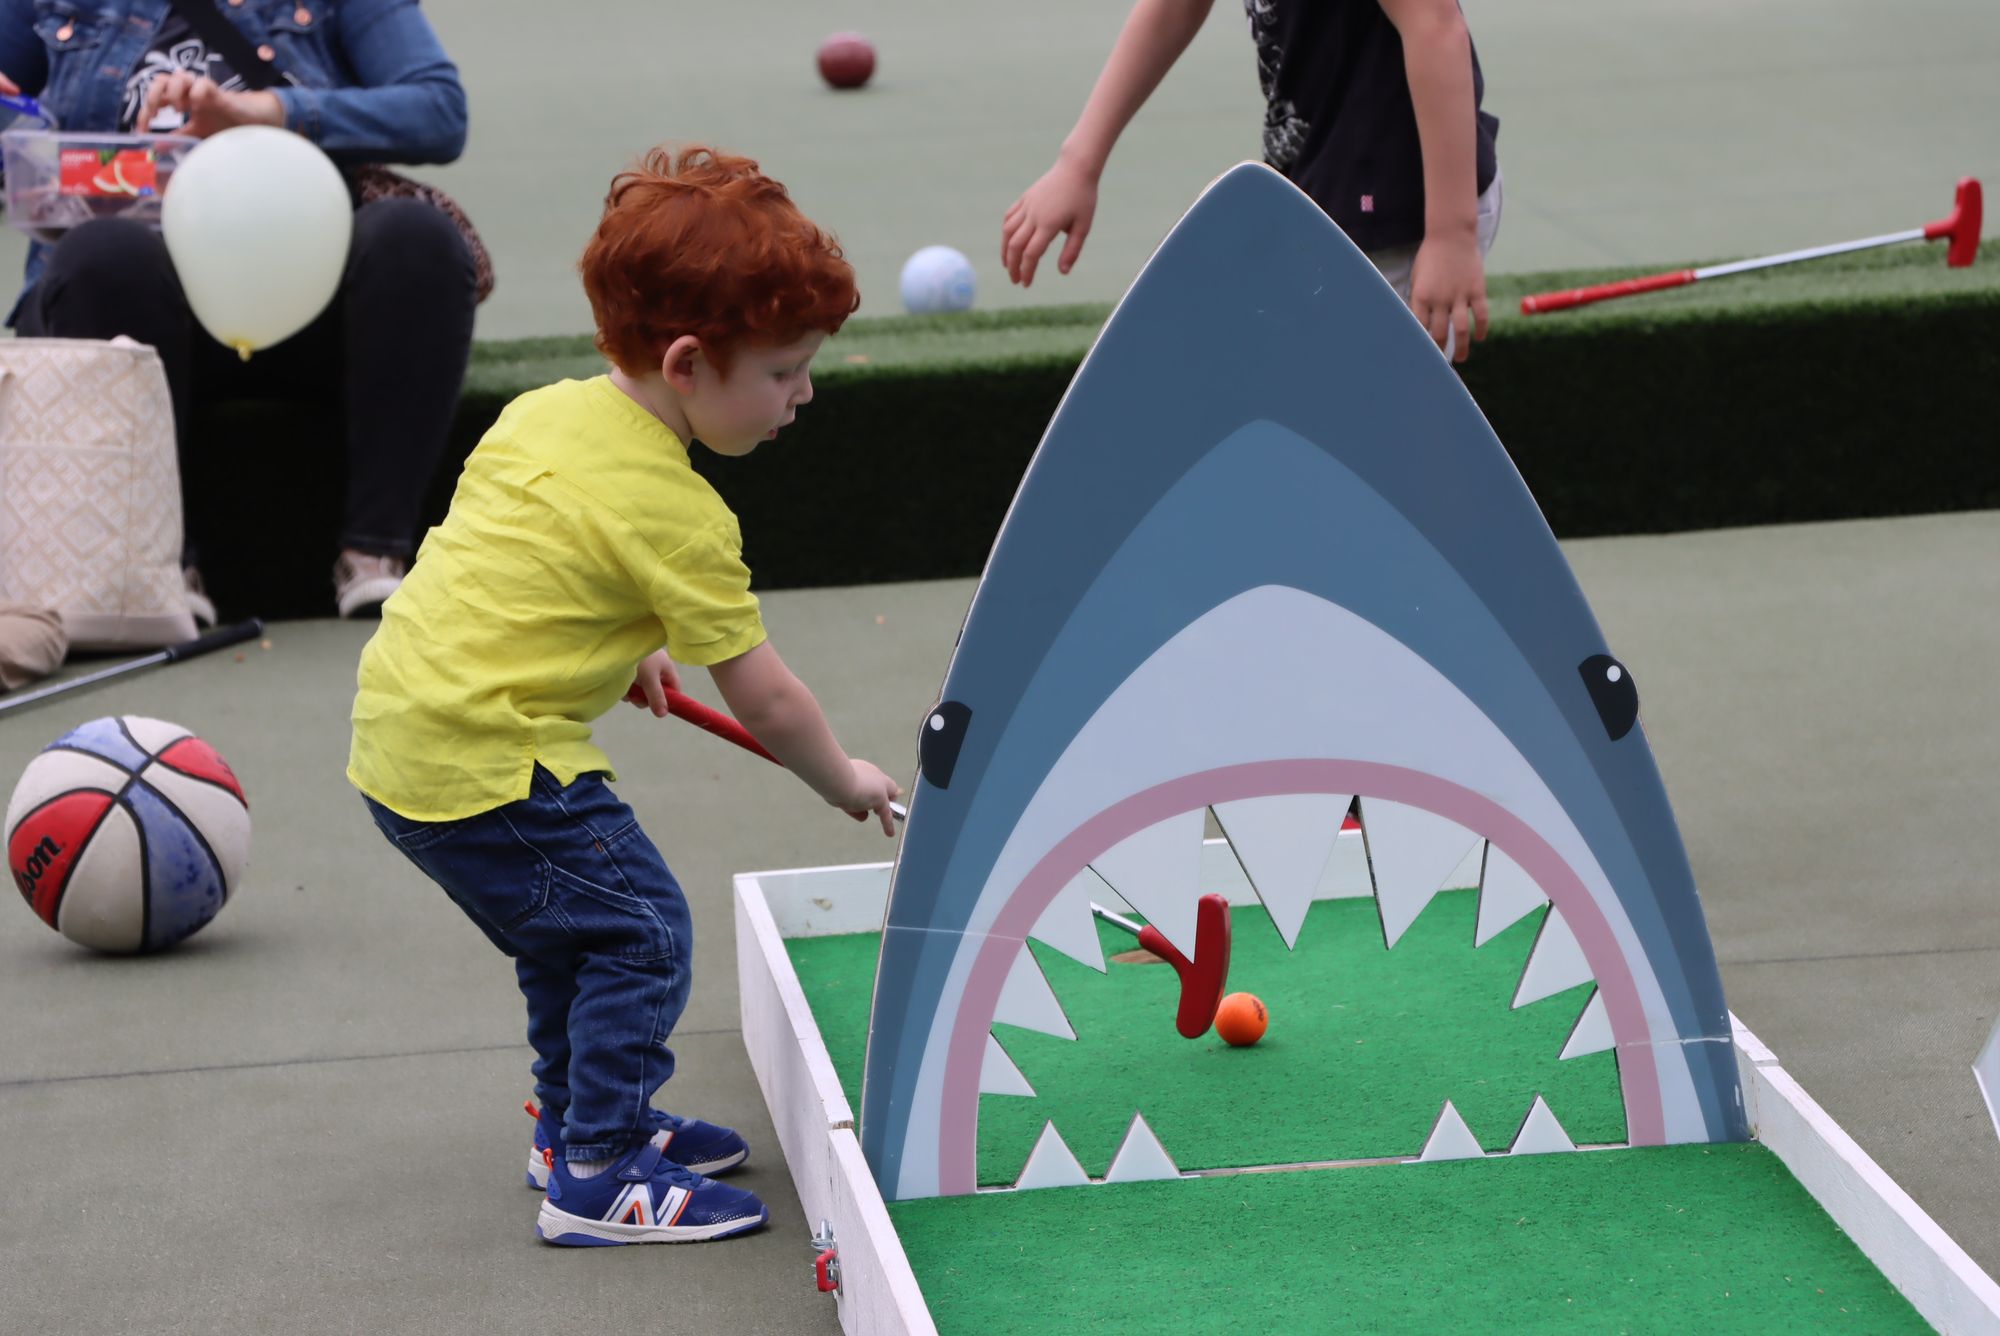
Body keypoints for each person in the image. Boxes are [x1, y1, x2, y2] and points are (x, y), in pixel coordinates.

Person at [348, 144, 902, 1246]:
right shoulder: (682, 515)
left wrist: (624, 640)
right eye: (785, 370)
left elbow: (515, 554)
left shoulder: (546, 411)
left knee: (571, 936)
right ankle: (596, 1171)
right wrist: (843, 779)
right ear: (690, 362)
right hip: (487, 757)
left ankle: (577, 1123)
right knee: (640, 928)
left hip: (404, 731)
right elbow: (767, 697)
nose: (804, 393)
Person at [0, 0, 480, 619]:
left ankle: (374, 555)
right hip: (120, 310)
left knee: (419, 236)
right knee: (104, 250)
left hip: (304, 302)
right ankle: (163, 569)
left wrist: (270, 112)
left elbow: (440, 110)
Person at [1003, 0, 1502, 363]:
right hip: (1323, 193)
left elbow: (1435, 27)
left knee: (1360, 438)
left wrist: (1451, 236)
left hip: (1403, 214)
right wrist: (1078, 162)